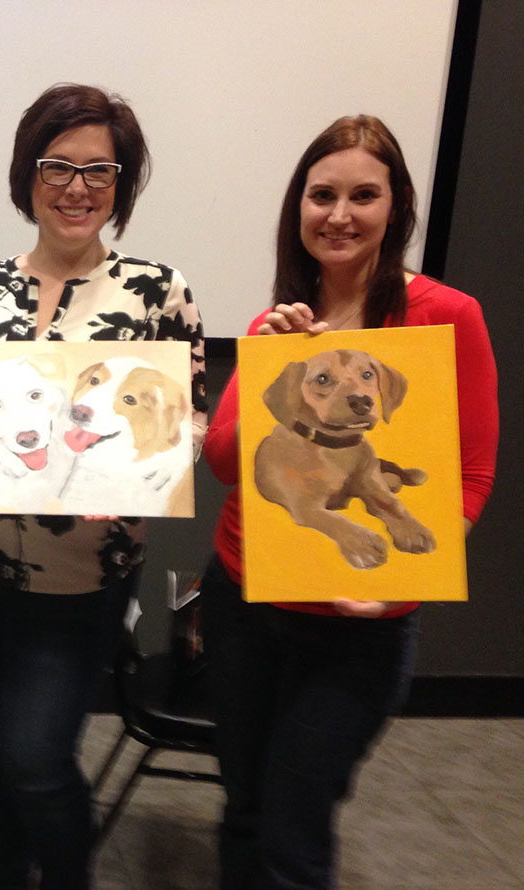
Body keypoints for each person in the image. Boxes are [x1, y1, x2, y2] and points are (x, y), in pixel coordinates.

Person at [0, 83, 207, 890]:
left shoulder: (159, 291)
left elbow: (187, 425)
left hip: (86, 573)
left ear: (122, 184)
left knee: (36, 758)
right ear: (28, 176)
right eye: (58, 166)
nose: (78, 187)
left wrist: (144, 473)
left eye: (100, 170)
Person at [199, 114, 498, 890]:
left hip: (365, 633)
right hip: (247, 604)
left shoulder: (446, 316)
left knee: (297, 827)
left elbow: (471, 473)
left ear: (396, 207)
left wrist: (412, 571)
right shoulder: (279, 322)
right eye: (321, 194)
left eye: (363, 195)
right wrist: (273, 359)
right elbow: (227, 463)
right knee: (243, 808)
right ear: (297, 208)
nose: (339, 214)